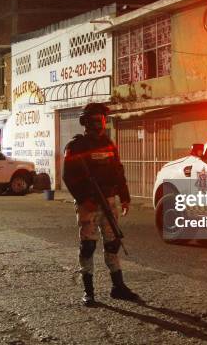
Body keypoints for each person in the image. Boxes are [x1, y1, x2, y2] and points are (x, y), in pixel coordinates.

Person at [63, 103, 140, 306]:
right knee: (88, 246)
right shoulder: (75, 146)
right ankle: (89, 292)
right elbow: (68, 177)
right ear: (86, 122)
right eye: (95, 120)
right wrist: (83, 200)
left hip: (109, 201)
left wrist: (125, 197)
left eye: (102, 120)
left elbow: (118, 171)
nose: (99, 124)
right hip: (87, 203)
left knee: (112, 243)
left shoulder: (109, 143)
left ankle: (118, 287)